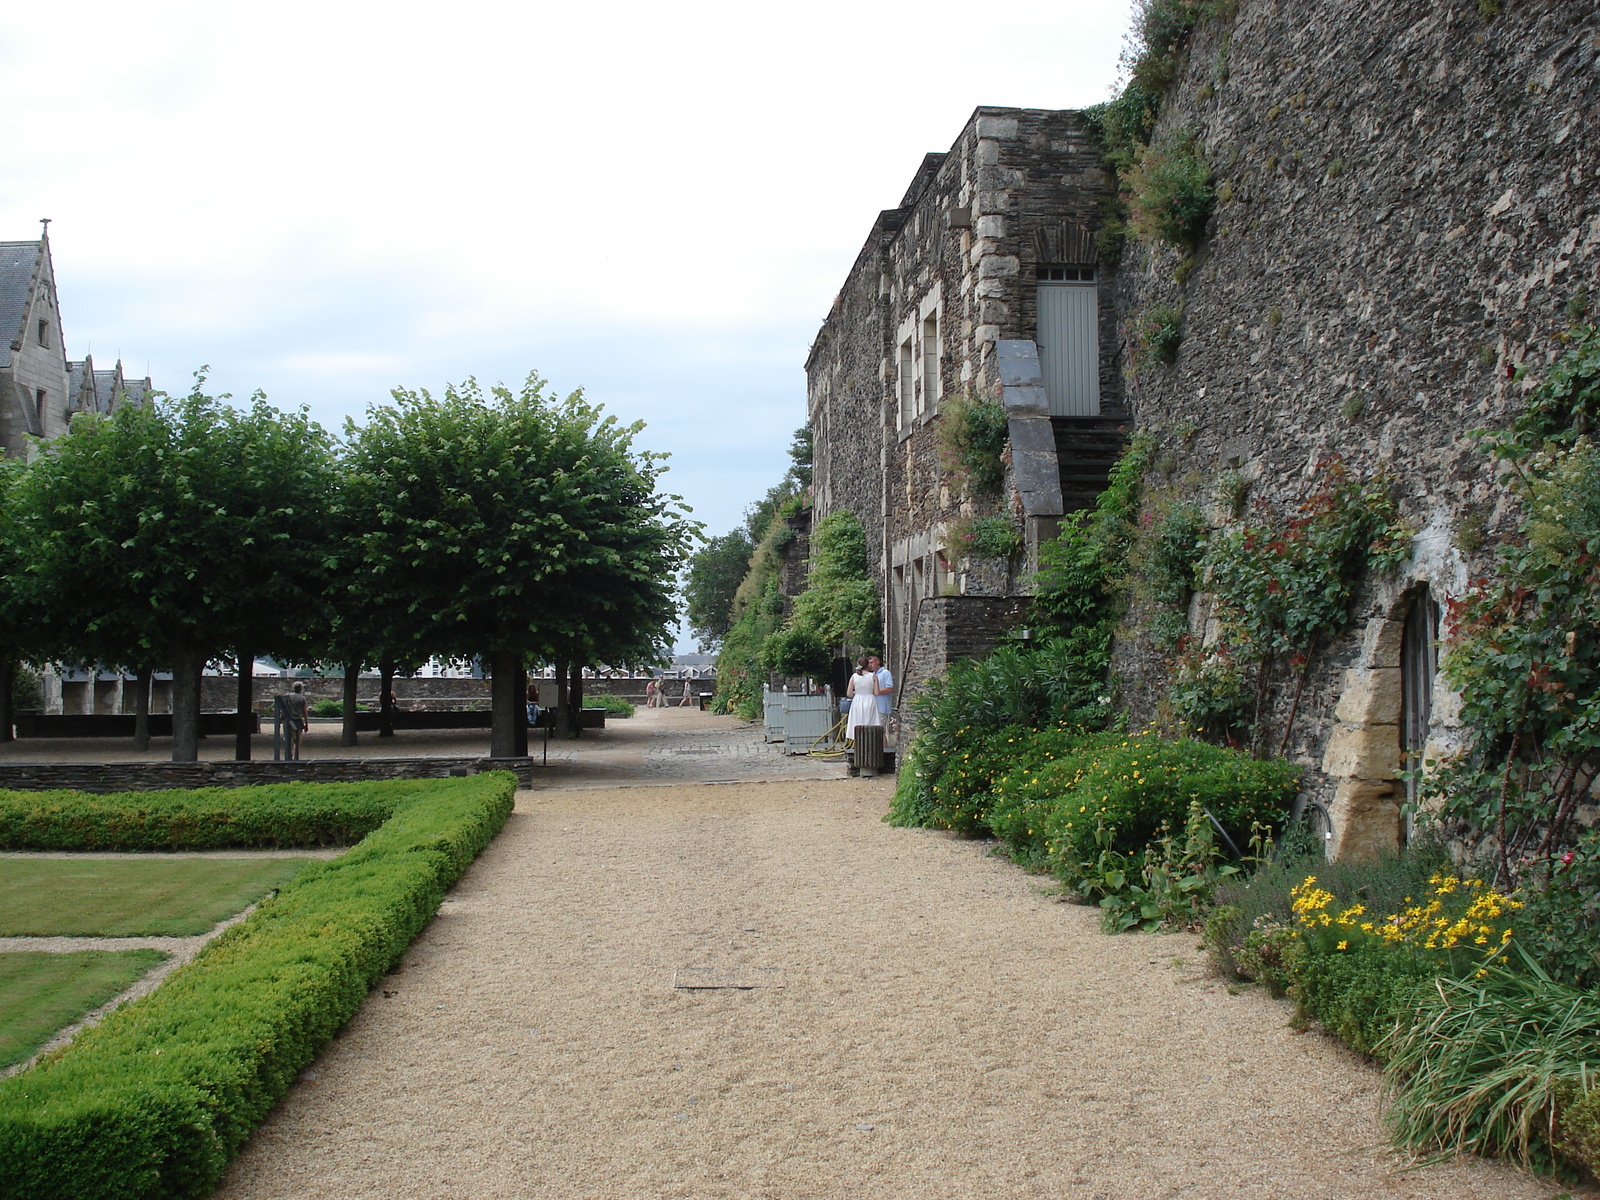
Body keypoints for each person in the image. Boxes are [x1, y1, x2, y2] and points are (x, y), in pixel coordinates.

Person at [844, 655, 883, 740]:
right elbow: (877, 693)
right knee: (871, 722)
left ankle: (859, 742)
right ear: (868, 665)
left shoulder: (854, 676)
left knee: (858, 722)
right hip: (870, 700)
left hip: (858, 701)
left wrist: (856, 692)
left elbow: (849, 694)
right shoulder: (873, 676)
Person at [281, 681, 310, 760]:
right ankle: (296, 757)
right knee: (297, 740)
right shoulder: (302, 698)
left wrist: (280, 720)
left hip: (287, 720)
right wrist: (306, 724)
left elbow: (284, 710)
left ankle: (288, 756)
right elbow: (304, 712)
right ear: (301, 689)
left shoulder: (288, 697)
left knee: (288, 739)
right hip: (298, 720)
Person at [868, 654, 894, 721]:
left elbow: (889, 688)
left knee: (879, 728)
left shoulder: (885, 673)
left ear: (878, 662)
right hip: (873, 706)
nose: (870, 665)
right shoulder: (872, 675)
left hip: (882, 706)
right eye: (869, 663)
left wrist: (877, 692)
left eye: (872, 662)